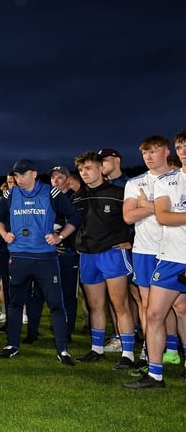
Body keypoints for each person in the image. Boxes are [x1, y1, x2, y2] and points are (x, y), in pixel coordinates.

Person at [0, 159, 81, 365]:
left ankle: (63, 350)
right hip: (19, 258)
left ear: (34, 174)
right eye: (16, 175)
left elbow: (75, 217)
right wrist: (4, 233)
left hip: (45, 259)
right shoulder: (10, 194)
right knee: (14, 304)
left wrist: (60, 237)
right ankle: (12, 345)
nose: (19, 179)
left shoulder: (51, 193)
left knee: (56, 305)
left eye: (23, 175)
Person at [124, 129, 186, 389]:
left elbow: (168, 214)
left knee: (182, 309)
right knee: (154, 313)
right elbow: (163, 217)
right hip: (170, 257)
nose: (184, 151)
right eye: (181, 146)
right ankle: (155, 374)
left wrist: (167, 211)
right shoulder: (167, 182)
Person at [71, 151, 136, 370]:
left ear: (101, 168)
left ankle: (128, 353)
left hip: (113, 254)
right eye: (81, 170)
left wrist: (131, 242)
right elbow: (73, 224)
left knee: (120, 304)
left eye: (88, 168)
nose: (84, 173)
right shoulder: (78, 197)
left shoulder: (119, 193)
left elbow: (136, 220)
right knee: (95, 305)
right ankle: (96, 349)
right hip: (88, 256)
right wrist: (77, 244)